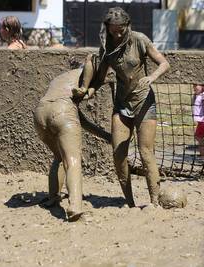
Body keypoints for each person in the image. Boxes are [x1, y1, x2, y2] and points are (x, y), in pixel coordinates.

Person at [77, 7, 170, 207]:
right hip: (121, 105)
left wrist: (152, 77)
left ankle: (154, 202)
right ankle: (129, 203)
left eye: (121, 29)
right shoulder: (107, 47)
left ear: (127, 26)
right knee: (119, 154)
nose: (117, 33)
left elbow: (164, 63)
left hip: (144, 102)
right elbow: (100, 78)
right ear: (107, 28)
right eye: (113, 30)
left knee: (146, 152)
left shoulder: (139, 40)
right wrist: (87, 91)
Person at [34, 55, 109, 222]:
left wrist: (105, 136)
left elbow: (76, 118)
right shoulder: (84, 75)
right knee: (72, 160)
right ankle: (75, 207)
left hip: (40, 113)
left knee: (59, 158)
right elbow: (66, 114)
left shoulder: (61, 79)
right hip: (61, 110)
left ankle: (53, 196)